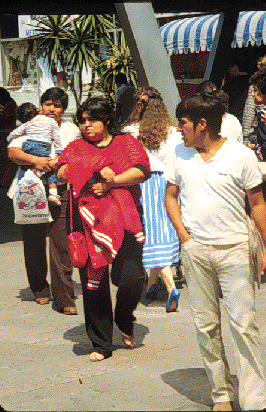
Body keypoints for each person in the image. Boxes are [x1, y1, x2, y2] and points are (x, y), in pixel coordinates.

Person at [165, 92, 266, 411]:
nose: (179, 129)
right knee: (206, 326)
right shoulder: (179, 153)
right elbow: (171, 196)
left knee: (244, 324)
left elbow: (258, 204)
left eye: (182, 123)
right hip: (196, 253)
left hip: (235, 249)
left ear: (202, 124)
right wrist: (184, 236)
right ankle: (221, 394)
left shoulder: (241, 156)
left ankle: (254, 398)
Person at [56, 97, 151, 361]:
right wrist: (92, 164)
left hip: (126, 216)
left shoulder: (126, 143)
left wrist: (111, 183)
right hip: (88, 221)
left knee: (132, 277)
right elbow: (62, 172)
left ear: (107, 120)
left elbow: (142, 171)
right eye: (83, 120)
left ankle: (124, 316)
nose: (86, 125)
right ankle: (101, 343)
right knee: (93, 282)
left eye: (92, 120)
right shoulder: (76, 146)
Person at [8, 87, 81, 313]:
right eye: (48, 104)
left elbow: (69, 153)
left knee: (61, 243)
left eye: (57, 105)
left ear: (63, 109)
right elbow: (12, 150)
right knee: (33, 241)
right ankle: (39, 288)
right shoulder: (31, 122)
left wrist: (50, 163)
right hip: (29, 191)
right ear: (41, 106)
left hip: (59, 191)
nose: (52, 109)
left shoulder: (70, 129)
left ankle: (65, 298)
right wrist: (35, 160)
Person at [123, 87, 181, 312]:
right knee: (162, 232)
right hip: (167, 184)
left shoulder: (129, 132)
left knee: (149, 235)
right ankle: (151, 284)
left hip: (142, 182)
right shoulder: (172, 132)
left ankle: (170, 286)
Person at [7, 102, 63, 206]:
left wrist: (8, 138)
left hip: (29, 145)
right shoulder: (51, 121)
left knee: (24, 169)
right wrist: (58, 151)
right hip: (43, 147)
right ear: (38, 109)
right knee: (50, 172)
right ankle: (53, 193)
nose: (51, 109)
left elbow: (15, 133)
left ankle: (20, 190)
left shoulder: (28, 123)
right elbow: (57, 138)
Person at [242, 56, 266, 145]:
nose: (259, 67)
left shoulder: (257, 84)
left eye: (262, 65)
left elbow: (249, 112)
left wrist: (246, 138)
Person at [0, 87, 18, 188]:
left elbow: (7, 118)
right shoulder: (9, 103)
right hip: (6, 132)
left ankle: (5, 181)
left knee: (5, 157)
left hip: (6, 133)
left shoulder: (10, 104)